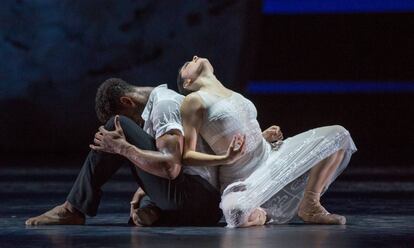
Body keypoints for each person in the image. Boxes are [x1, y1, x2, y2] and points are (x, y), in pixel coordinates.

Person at [177, 56, 357, 228]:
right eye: (187, 64)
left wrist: (263, 136)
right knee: (236, 213)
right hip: (244, 177)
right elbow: (186, 155)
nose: (194, 57)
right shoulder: (193, 100)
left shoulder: (234, 94)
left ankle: (310, 203)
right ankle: (262, 212)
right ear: (188, 83)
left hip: (271, 157)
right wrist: (226, 158)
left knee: (339, 135)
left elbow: (236, 133)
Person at [25, 78, 221, 226]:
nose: (137, 125)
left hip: (196, 199)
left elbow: (171, 167)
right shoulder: (164, 103)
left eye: (133, 118)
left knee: (116, 127)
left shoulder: (164, 106)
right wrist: (148, 188)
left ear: (127, 101)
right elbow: (183, 162)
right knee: (126, 143)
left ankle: (72, 208)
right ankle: (154, 210)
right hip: (205, 208)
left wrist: (122, 147)